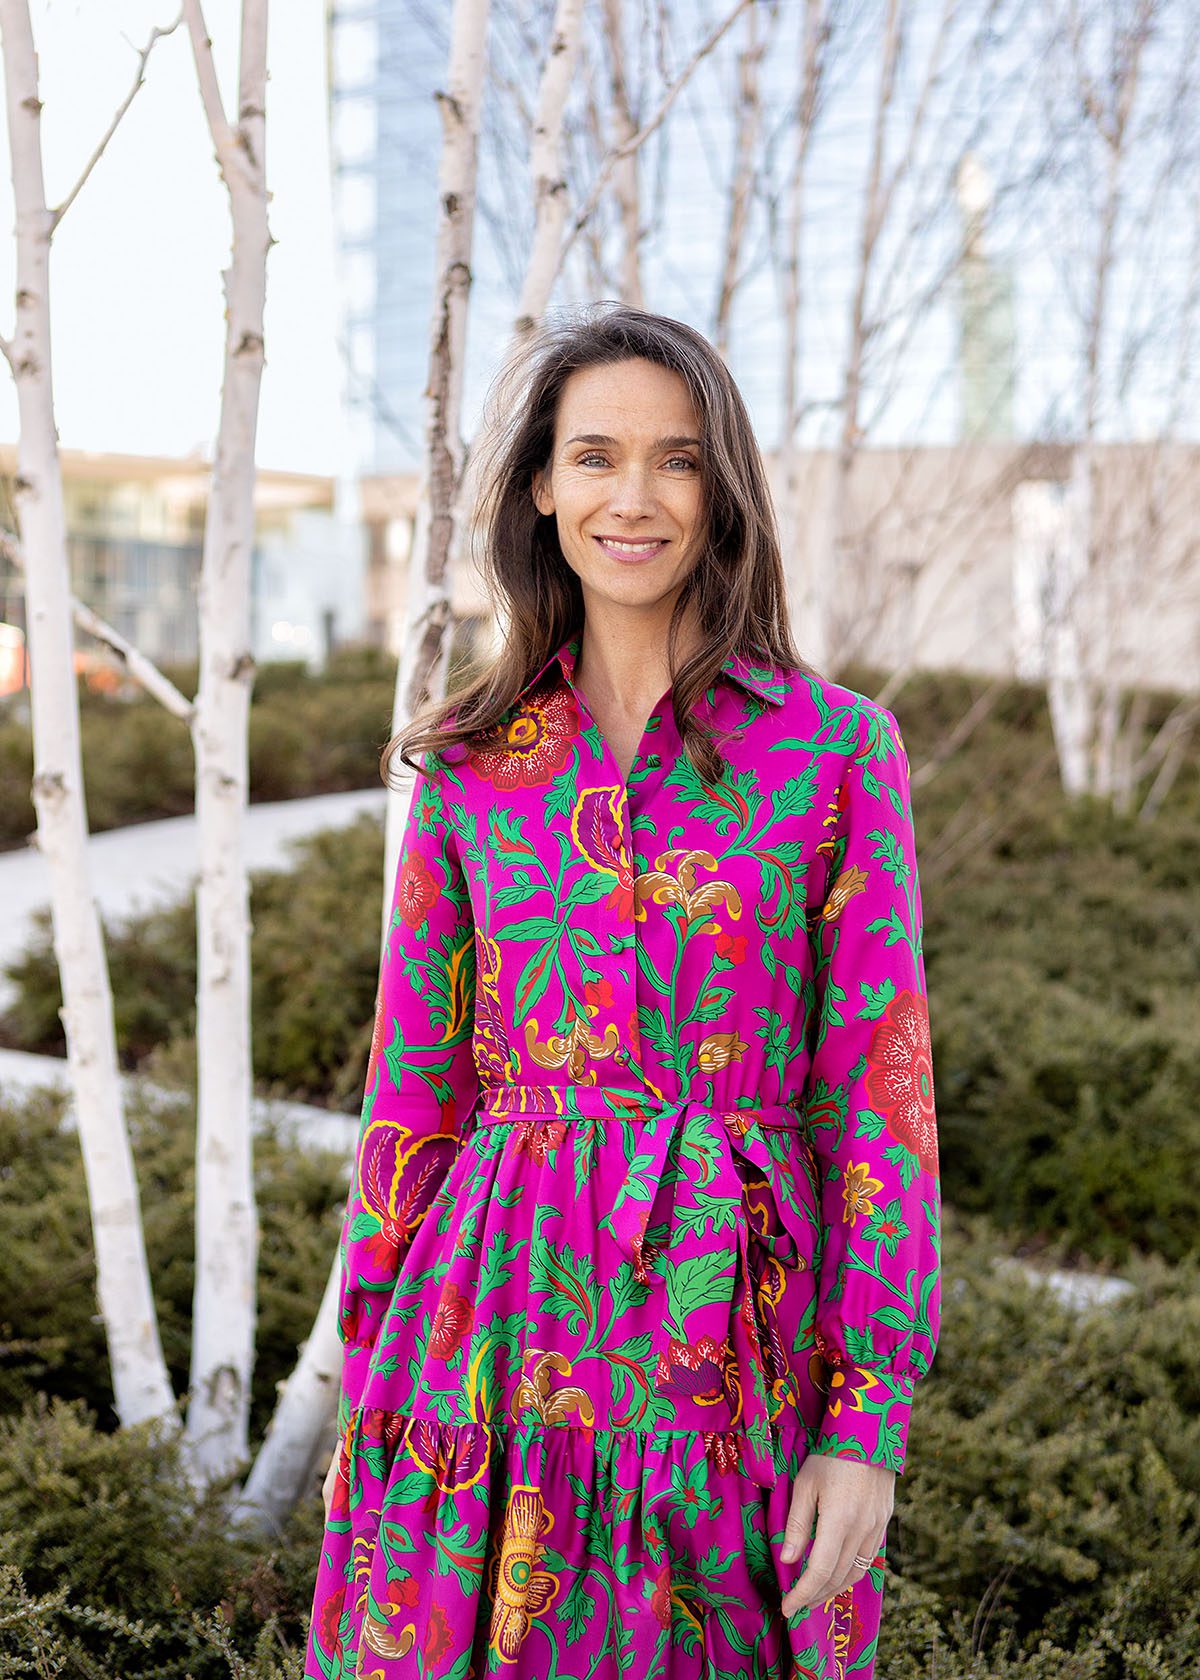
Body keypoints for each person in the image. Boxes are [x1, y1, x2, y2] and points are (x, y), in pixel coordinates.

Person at [305, 302, 941, 1680]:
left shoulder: (834, 752)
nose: (634, 498)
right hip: (485, 1332)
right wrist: (374, 1367)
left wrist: (865, 1421)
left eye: (679, 459)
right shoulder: (472, 769)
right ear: (541, 487)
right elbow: (412, 1093)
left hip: (736, 1347)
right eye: (594, 457)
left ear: (724, 491)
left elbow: (881, 1105)